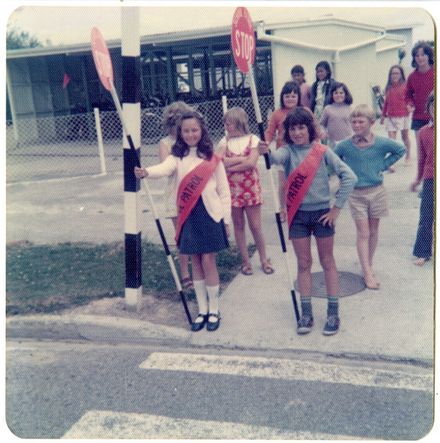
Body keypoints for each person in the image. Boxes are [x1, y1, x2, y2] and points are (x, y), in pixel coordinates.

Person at [259, 107, 357, 336]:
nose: (297, 132)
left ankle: (333, 313)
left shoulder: (322, 151)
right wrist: (264, 150)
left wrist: (336, 209)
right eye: (292, 128)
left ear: (310, 129)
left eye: (301, 127)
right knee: (303, 264)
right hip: (299, 217)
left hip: (323, 214)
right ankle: (306, 313)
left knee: (327, 262)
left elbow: (349, 177)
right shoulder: (288, 151)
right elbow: (272, 159)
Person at [135, 111, 231, 332]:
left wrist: (226, 219)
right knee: (195, 261)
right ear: (180, 132)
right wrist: (146, 172)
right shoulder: (176, 156)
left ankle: (215, 309)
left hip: (210, 214)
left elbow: (224, 192)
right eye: (186, 131)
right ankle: (202, 310)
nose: (190, 134)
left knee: (208, 260)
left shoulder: (212, 157)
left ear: (202, 131)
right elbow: (164, 169)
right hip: (188, 214)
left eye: (194, 130)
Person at [334, 105, 406, 290]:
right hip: (356, 194)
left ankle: (368, 263)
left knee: (373, 231)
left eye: (361, 121)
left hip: (377, 191)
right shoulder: (345, 145)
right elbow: (333, 160)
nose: (356, 125)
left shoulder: (381, 143)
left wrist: (383, 164)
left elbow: (400, 150)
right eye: (354, 122)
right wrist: (343, 174)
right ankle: (367, 272)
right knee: (363, 233)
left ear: (371, 123)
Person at [217, 107, 274, 276]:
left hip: (250, 189)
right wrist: (243, 158)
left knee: (256, 226)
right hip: (232, 191)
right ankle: (245, 260)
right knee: (239, 225)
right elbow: (218, 162)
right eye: (226, 123)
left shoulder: (253, 139)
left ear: (239, 123)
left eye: (230, 123)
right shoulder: (224, 141)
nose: (227, 126)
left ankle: (264, 258)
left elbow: (251, 164)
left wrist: (230, 164)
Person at [158, 101, 194, 290]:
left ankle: (197, 269)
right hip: (175, 193)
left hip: (193, 191)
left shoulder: (191, 141)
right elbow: (166, 168)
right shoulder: (166, 143)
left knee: (194, 231)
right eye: (176, 125)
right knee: (181, 234)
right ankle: (185, 272)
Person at [265, 81, 301, 222]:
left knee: (299, 182)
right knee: (283, 184)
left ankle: (298, 208)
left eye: (293, 96)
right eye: (287, 96)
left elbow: (314, 129)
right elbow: (270, 132)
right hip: (282, 154)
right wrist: (265, 143)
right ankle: (282, 208)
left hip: (301, 153)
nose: (290, 98)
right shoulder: (277, 114)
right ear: (282, 97)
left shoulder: (304, 111)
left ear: (298, 97)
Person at [410, 91, 434, 266]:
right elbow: (421, 158)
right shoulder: (424, 132)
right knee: (426, 216)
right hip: (430, 178)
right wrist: (418, 179)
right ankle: (423, 252)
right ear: (429, 108)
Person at [380, 65, 411, 167]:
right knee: (391, 141)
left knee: (405, 137)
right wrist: (383, 115)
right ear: (390, 75)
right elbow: (386, 103)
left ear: (401, 74)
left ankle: (408, 156)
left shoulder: (406, 86)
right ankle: (391, 163)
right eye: (393, 73)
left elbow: (410, 100)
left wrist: (411, 106)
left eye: (397, 73)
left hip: (403, 116)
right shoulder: (388, 87)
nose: (395, 75)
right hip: (391, 117)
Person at [405, 42, 435, 146]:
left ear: (429, 56)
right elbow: (408, 95)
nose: (420, 58)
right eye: (417, 55)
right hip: (418, 118)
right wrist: (410, 104)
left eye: (423, 55)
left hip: (435, 117)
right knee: (421, 150)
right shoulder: (412, 77)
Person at [319, 82, 353, 149]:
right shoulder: (328, 109)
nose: (338, 95)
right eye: (336, 93)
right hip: (333, 142)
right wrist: (323, 132)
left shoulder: (350, 108)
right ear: (332, 95)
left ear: (346, 94)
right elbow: (321, 124)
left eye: (341, 93)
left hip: (348, 141)